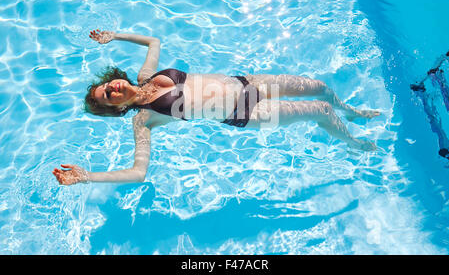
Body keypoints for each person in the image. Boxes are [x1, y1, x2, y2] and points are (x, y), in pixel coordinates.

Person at [52, 30, 381, 186]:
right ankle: (352, 144)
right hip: (246, 114)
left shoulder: (146, 75)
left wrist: (115, 36)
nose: (111, 89)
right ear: (115, 108)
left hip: (247, 82)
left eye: (107, 85)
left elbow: (154, 41)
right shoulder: (143, 120)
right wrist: (86, 177)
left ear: (116, 78)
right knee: (320, 110)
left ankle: (349, 110)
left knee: (320, 88)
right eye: (107, 97)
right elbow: (139, 173)